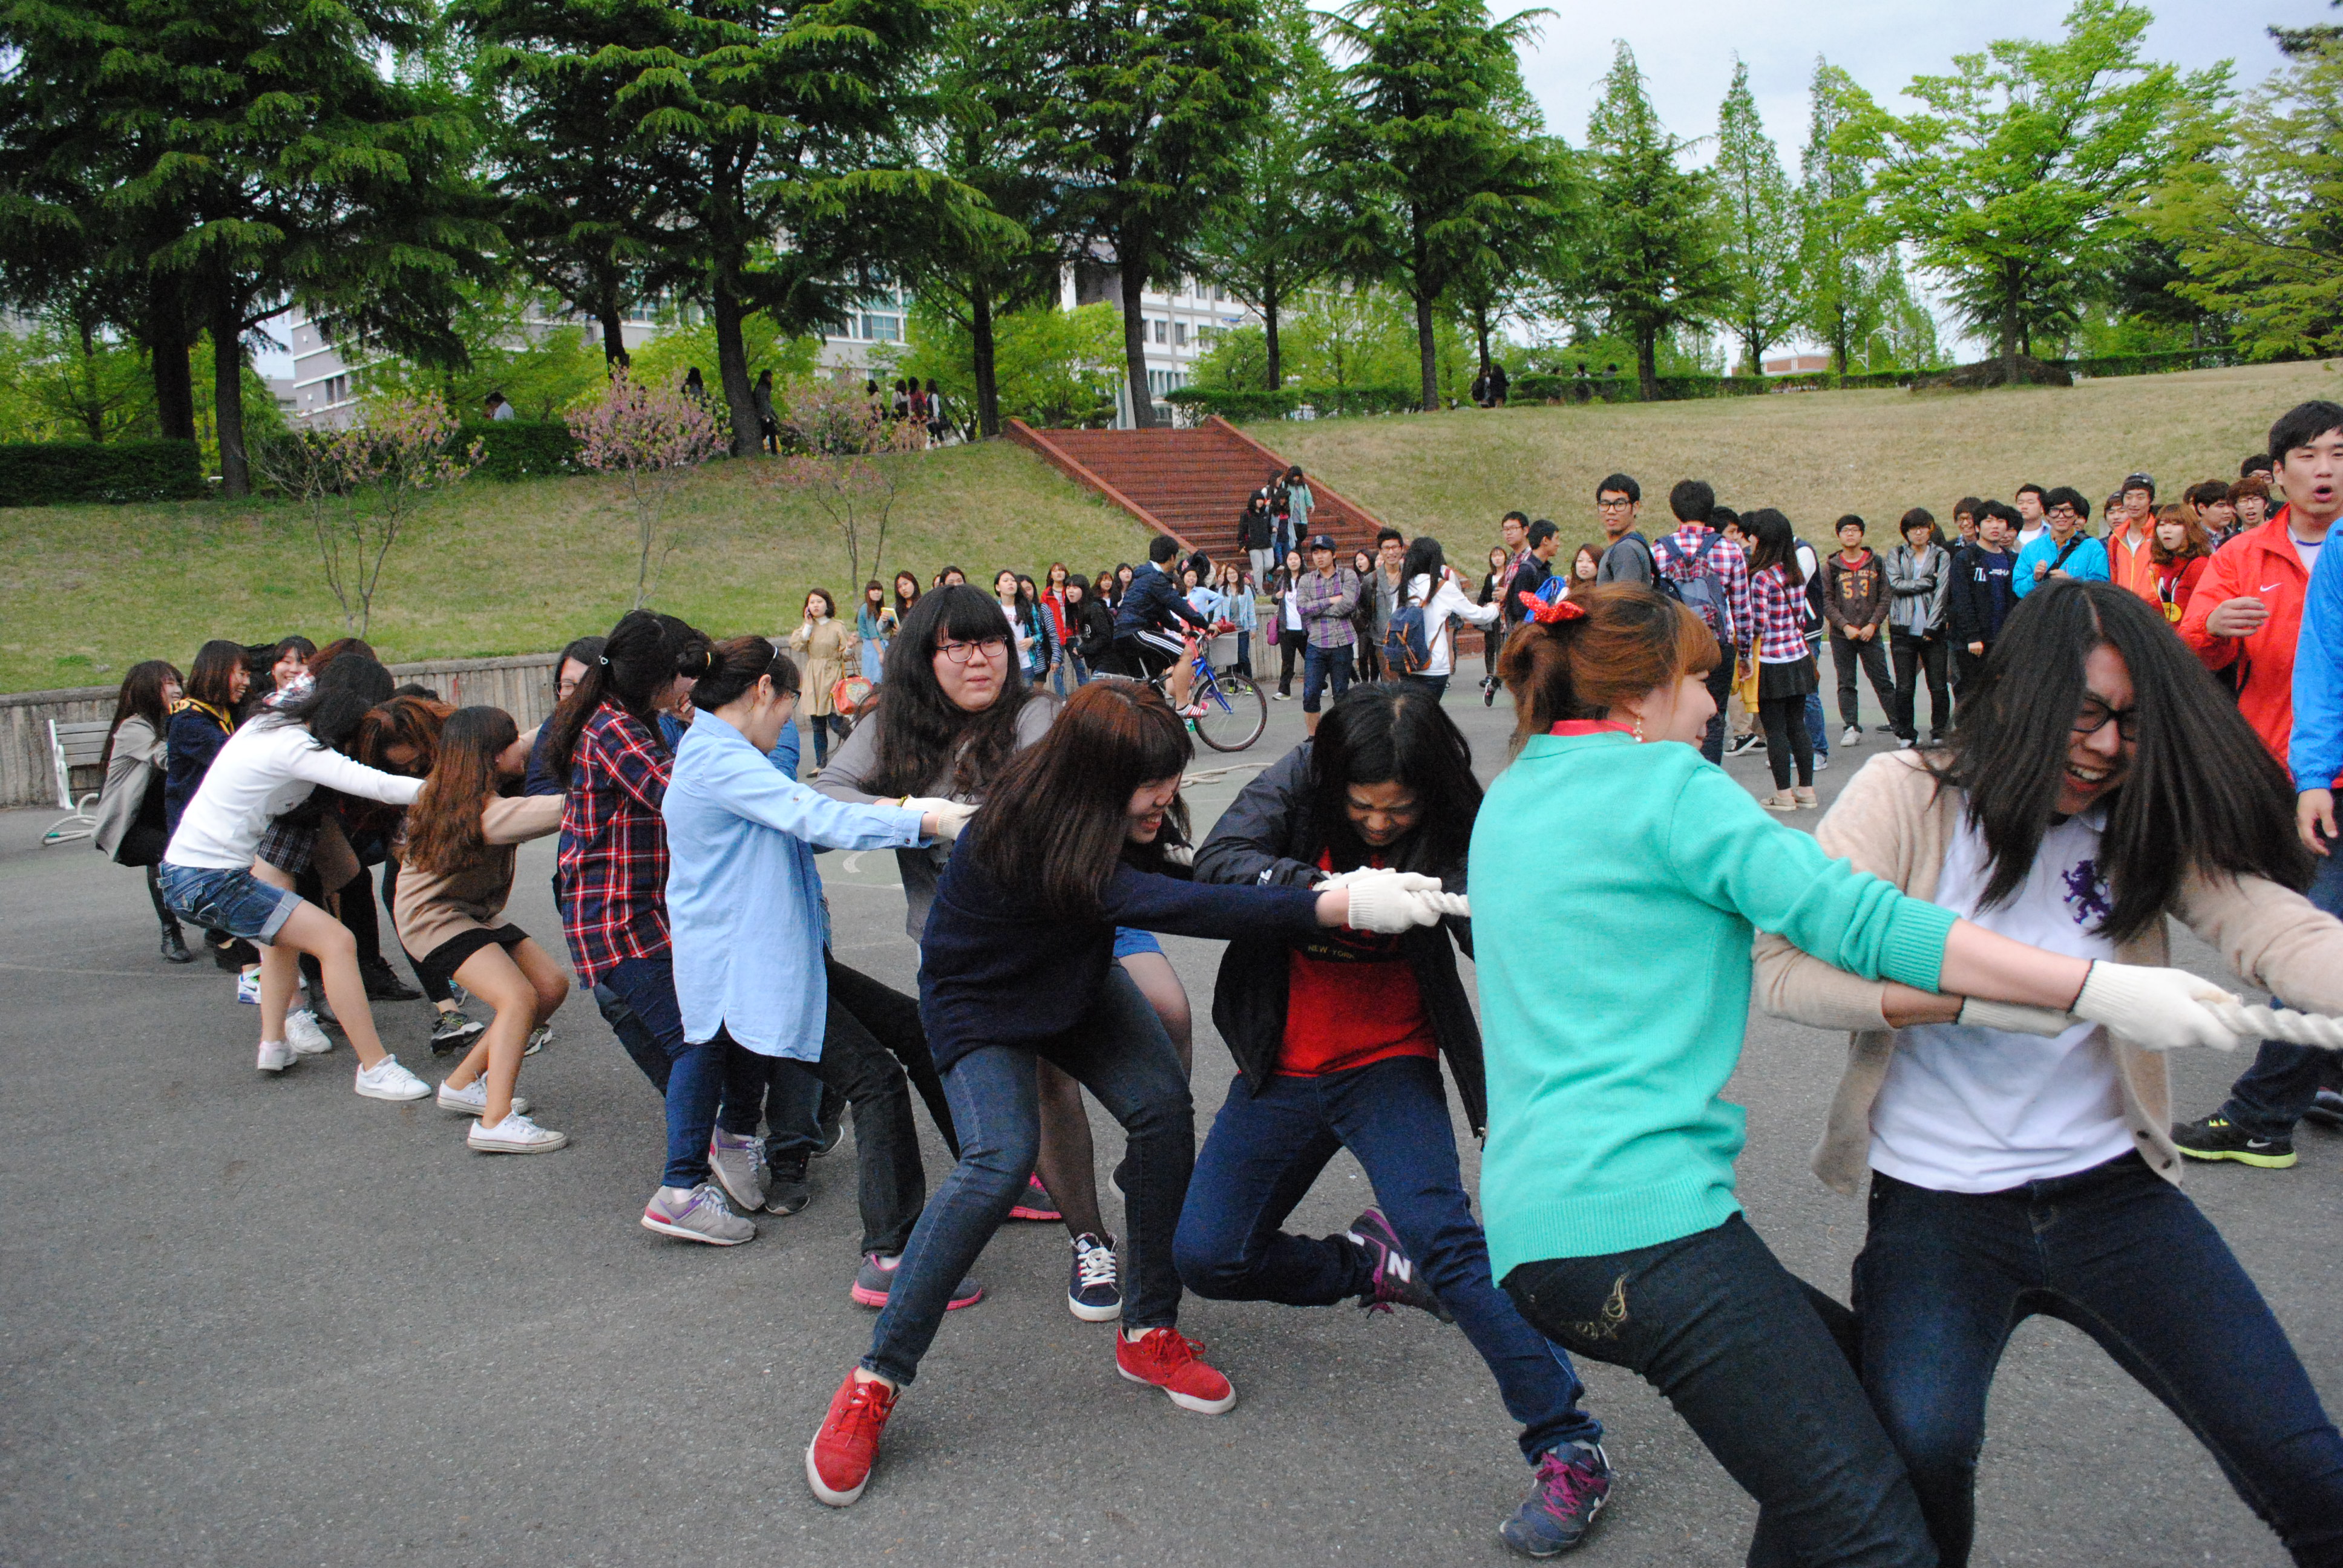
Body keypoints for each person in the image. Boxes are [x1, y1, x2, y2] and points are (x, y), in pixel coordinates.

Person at [1472, 581, 2265, 1568]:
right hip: (1647, 1230)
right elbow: (1864, 922)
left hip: (1539, 1240)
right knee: (1876, 1534)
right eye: (1700, 681)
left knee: (1877, 1440)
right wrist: (2094, 986)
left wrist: (2014, 1002)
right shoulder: (1670, 789)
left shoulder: (1515, 793)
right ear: (1640, 694)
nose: (1715, 704)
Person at [1753, 580, 2343, 1567]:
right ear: (2023, 693)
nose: (2107, 747)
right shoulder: (1906, 794)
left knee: (2304, 1464)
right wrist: (1984, 999)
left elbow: (2272, 925)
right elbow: (1786, 972)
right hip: (1937, 1206)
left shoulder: (2138, 812)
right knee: (1919, 1455)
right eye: (2087, 714)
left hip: (2114, 1195)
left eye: (2133, 724)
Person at [803, 681, 1450, 1508]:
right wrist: (1337, 902)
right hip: (980, 1003)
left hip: (1073, 982)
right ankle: (875, 1379)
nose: (1165, 797)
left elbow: (1183, 869)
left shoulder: (1112, 816)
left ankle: (1149, 1329)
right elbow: (1184, 904)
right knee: (997, 1162)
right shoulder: (1027, 831)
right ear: (1095, 779)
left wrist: (1315, 879)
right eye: (1151, 784)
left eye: (1171, 777)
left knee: (1161, 1108)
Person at [1182, 684, 1617, 1557]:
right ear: (1333, 778)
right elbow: (1218, 863)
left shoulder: (1457, 810)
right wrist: (1330, 892)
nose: (1379, 824)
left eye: (1399, 810)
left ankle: (1568, 1445)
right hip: (1281, 1065)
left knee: (1445, 1237)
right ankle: (1369, 1264)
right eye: (1362, 806)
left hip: (1390, 1060)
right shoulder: (1300, 776)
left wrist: (1475, 901)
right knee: (1209, 1257)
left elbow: (1503, 927)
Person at [664, 633, 988, 1302]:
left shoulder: (722, 754)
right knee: (875, 1081)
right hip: (756, 966)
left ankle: (987, 1178)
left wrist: (907, 812)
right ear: (764, 691)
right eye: (788, 705)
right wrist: (927, 822)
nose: (788, 719)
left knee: (914, 1030)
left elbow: (805, 825)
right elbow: (810, 814)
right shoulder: (719, 761)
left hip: (782, 954)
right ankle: (891, 1256)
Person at [816, 587, 1119, 1297]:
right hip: (951, 954)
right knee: (995, 1116)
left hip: (1039, 936)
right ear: (925, 657)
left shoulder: (1033, 711)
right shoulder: (891, 723)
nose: (979, 659)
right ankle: (917, 1261)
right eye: (957, 645)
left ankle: (1090, 1239)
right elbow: (826, 796)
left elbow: (1038, 807)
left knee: (1056, 1079)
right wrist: (916, 814)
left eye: (991, 643)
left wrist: (965, 818)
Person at [547, 609, 773, 1242]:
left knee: (722, 1023)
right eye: (686, 674)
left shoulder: (627, 718)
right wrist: (727, 728)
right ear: (658, 675)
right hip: (616, 918)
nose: (692, 687)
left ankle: (730, 1141)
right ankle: (680, 1190)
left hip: (643, 911)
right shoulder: (612, 728)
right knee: (697, 1039)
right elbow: (677, 793)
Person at [2176, 399, 2343, 1169]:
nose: (2323, 470)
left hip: (2321, 774)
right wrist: (2213, 630)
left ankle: (2265, 1110)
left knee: (2307, 933)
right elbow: (2188, 648)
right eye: (2306, 456)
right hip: (2280, 770)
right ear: (2275, 474)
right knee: (2300, 927)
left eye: (2337, 453)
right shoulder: (2243, 555)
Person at [158, 658, 436, 1097]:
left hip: (189, 874)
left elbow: (300, 688)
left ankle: (274, 1044)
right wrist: (453, 792)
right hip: (210, 880)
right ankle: (375, 1068)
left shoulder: (267, 723)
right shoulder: (297, 748)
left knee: (281, 937)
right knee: (336, 941)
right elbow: (378, 785)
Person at [392, 706, 570, 1152]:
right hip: (433, 919)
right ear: (492, 755)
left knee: (549, 986)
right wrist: (608, 786)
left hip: (470, 911)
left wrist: (577, 707)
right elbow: (562, 809)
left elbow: (531, 738)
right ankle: (495, 1122)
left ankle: (462, 1083)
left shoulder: (461, 788)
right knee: (518, 998)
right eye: (510, 743)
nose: (520, 748)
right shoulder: (485, 813)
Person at [94, 659, 192, 962]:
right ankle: (171, 930)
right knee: (168, 855)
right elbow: (169, 759)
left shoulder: (176, 720)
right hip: (133, 824)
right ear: (149, 689)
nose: (177, 690)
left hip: (168, 814)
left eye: (178, 683)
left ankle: (217, 935)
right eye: (168, 684)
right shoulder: (134, 727)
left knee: (171, 855)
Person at [1654, 479, 1751, 765]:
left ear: (1675, 511)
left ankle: (1678, 772)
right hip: (1717, 647)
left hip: (1675, 646)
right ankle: (1707, 774)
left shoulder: (1658, 550)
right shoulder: (1730, 550)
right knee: (1714, 715)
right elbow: (1742, 608)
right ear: (1710, 511)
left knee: (1673, 712)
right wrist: (1745, 653)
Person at [1745, 508, 1820, 810]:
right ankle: (1807, 790)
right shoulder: (1795, 572)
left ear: (1762, 540)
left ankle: (1784, 795)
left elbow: (1759, 626)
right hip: (1798, 657)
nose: (1749, 540)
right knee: (1797, 727)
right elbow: (1800, 615)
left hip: (1771, 662)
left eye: (1753, 535)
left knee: (1775, 730)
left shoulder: (1761, 578)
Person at [1387, 537, 1498, 701]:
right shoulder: (1443, 587)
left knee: (1411, 713)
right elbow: (1478, 616)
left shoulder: (1404, 587)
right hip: (1434, 666)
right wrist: (1495, 608)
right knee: (1429, 713)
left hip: (1407, 664)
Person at [1822, 514, 1898, 748]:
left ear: (1862, 534)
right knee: (1846, 682)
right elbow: (1826, 600)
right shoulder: (1831, 567)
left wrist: (1873, 624)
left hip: (1870, 633)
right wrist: (1844, 625)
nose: (1850, 534)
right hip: (1841, 635)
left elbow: (1885, 596)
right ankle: (1851, 727)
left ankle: (1900, 727)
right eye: (1845, 530)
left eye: (1855, 530)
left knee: (1882, 680)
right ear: (1839, 535)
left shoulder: (1876, 563)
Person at [1110, 535, 1210, 712]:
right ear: (1172, 557)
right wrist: (1207, 625)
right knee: (1185, 654)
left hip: (1124, 634)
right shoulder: (1155, 579)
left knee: (1151, 689)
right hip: (1136, 631)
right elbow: (1179, 606)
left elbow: (1161, 612)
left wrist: (1181, 629)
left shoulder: (1145, 576)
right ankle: (1183, 705)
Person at [1884, 509, 1951, 747]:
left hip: (1933, 630)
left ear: (1930, 529)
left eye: (1923, 527)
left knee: (1938, 685)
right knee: (1904, 686)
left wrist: (1932, 627)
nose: (1919, 532)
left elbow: (1942, 590)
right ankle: (1906, 734)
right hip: (1903, 628)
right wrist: (1927, 582)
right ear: (1906, 532)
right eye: (1913, 528)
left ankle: (1940, 731)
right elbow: (1896, 584)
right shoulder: (1896, 554)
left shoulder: (1941, 555)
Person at [1946, 502, 2019, 703]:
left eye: (2000, 521)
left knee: (2001, 697)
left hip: (2002, 640)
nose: (1995, 526)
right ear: (1978, 527)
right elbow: (1962, 600)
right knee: (1971, 698)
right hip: (1972, 643)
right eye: (1989, 521)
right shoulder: (1965, 559)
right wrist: (1973, 637)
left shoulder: (2012, 560)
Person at [1296, 535, 1363, 736]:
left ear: (1334, 554)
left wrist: (1317, 609)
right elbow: (1302, 608)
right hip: (1316, 643)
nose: (1319, 556)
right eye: (1316, 553)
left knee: (1341, 694)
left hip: (1342, 642)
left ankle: (1342, 736)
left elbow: (1348, 604)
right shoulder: (1306, 580)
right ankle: (1313, 738)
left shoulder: (1347, 576)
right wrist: (1330, 601)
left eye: (1324, 552)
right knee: (1310, 694)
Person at [788, 589, 855, 772]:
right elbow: (797, 645)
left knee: (836, 722)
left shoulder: (837, 626)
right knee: (817, 725)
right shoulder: (807, 628)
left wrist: (850, 647)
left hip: (832, 676)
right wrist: (808, 625)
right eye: (812, 602)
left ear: (827, 604)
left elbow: (845, 655)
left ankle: (858, 750)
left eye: (819, 601)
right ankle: (821, 764)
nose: (815, 605)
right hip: (814, 677)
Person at [2010, 487, 2109, 596]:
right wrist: (2035, 578)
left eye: (2068, 510)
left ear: (2076, 514)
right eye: (2055, 511)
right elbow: (2019, 589)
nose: (2061, 516)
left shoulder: (2093, 547)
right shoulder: (2031, 549)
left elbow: (2102, 587)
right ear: (2047, 515)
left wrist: (2072, 581)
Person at [2148, 502, 2212, 623]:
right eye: (2162, 525)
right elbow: (2164, 606)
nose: (2166, 530)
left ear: (2189, 530)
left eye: (2175, 524)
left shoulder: (2199, 565)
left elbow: (2204, 611)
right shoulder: (2164, 565)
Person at [2102, 473, 2158, 601]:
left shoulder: (2160, 534)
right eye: (2129, 497)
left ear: (2151, 500)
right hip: (2125, 607)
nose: (2134, 503)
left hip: (2154, 608)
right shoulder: (2116, 538)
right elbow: (2115, 578)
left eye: (2140, 497)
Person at [1591, 474, 1651, 586]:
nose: (1611, 511)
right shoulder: (1631, 545)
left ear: (1635, 508)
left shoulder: (1625, 550)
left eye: (1619, 504)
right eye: (1605, 504)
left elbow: (1625, 596)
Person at [1271, 549, 1306, 701]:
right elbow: (1274, 599)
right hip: (1286, 629)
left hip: (1305, 629)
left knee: (1312, 660)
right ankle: (1284, 690)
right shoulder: (1283, 580)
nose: (1293, 562)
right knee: (1287, 661)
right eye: (1290, 559)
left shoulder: (1307, 579)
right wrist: (1277, 596)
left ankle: (1321, 685)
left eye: (1296, 559)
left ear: (1301, 561)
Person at [1064, 575, 1112, 687]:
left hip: (1108, 660)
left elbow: (1104, 637)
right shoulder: (1078, 609)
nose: (1070, 591)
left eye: (1075, 587)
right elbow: (1090, 637)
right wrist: (1084, 650)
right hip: (1095, 661)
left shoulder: (1094, 608)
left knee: (1093, 691)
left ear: (1084, 589)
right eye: (1068, 587)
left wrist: (1083, 649)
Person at [1218, 564, 1257, 678]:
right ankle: (1232, 684)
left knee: (1243, 657)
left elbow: (1251, 610)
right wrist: (1216, 627)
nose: (1232, 575)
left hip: (1243, 629)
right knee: (1231, 659)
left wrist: (1253, 628)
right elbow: (1218, 610)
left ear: (1238, 574)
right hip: (1228, 631)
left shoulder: (1246, 590)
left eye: (1234, 573)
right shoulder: (1222, 590)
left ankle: (1249, 683)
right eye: (1229, 573)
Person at [856, 581, 893, 687]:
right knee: (873, 679)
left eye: (879, 590)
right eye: (873, 590)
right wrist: (880, 653)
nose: (877, 592)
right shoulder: (866, 608)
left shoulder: (875, 608)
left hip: (876, 646)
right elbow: (873, 634)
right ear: (868, 592)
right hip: (872, 647)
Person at [1238, 491, 1277, 588]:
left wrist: (1272, 529)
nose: (1261, 502)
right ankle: (1259, 589)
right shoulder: (1247, 514)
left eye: (1262, 500)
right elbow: (1242, 530)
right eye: (1258, 500)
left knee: (1270, 565)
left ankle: (1252, 574)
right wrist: (1242, 545)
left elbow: (1267, 527)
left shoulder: (1265, 513)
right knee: (1258, 567)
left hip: (1266, 543)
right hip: (1253, 545)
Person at [1280, 466, 1313, 561]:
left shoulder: (1303, 486)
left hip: (1302, 518)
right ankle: (1297, 557)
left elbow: (1308, 497)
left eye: (1298, 476)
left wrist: (1311, 505)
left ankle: (1296, 556)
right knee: (1294, 539)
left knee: (1302, 535)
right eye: (1294, 476)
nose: (1296, 478)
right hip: (1291, 517)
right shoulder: (1285, 485)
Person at [2011, 483, 2049, 555]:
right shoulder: (2006, 534)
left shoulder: (2051, 533)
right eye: (2020, 503)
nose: (2024, 507)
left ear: (2042, 508)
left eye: (2030, 503)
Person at [753, 370, 779, 454]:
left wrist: (775, 415)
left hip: (767, 415)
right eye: (769, 377)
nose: (771, 379)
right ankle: (774, 452)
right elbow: (762, 403)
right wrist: (765, 415)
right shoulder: (762, 389)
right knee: (771, 431)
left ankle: (774, 452)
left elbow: (768, 404)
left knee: (768, 432)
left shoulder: (766, 388)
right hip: (764, 416)